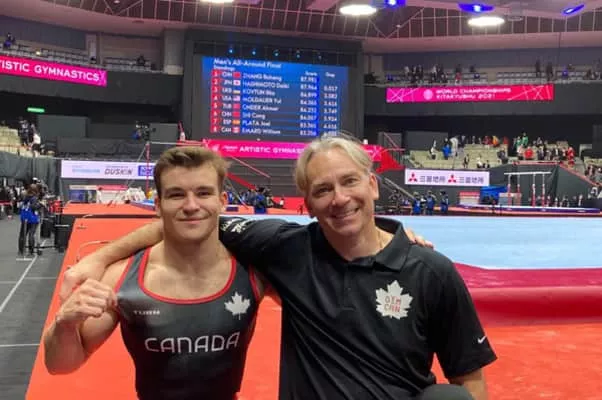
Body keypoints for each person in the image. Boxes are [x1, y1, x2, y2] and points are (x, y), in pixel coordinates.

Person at [62, 136, 494, 399]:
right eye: (323, 190)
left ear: (373, 185)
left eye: (349, 182)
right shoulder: (286, 249)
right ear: (307, 205)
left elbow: (469, 380)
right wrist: (100, 257)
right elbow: (188, 220)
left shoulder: (431, 271)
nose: (340, 199)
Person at [44, 147, 263, 400]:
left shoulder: (254, 271)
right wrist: (64, 323)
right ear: (158, 205)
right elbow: (60, 365)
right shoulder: (122, 278)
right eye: (176, 195)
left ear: (222, 200)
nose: (191, 205)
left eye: (203, 193)